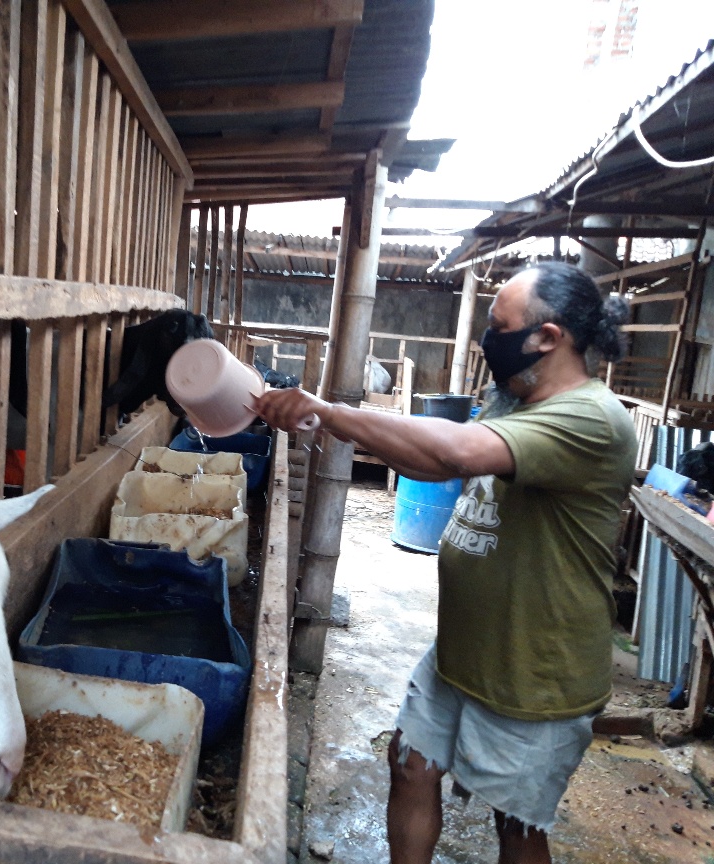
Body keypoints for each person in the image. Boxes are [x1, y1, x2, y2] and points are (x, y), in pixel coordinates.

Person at [254, 261, 637, 864]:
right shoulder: (517, 402)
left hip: (536, 673)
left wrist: (327, 411)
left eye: (499, 324)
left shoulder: (592, 418)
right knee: (409, 766)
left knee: (516, 825)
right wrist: (329, 426)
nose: (490, 339)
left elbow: (457, 451)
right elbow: (437, 466)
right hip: (465, 652)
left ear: (547, 337)